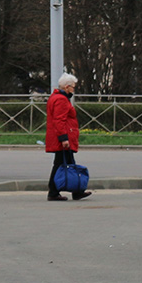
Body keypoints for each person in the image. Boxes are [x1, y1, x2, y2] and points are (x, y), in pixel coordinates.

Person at [46, 72, 91, 202]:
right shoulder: (61, 99)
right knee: (61, 164)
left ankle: (74, 191)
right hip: (63, 138)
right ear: (67, 87)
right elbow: (59, 120)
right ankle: (55, 192)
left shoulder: (55, 97)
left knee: (64, 163)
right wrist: (64, 138)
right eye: (73, 87)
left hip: (61, 137)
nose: (74, 90)